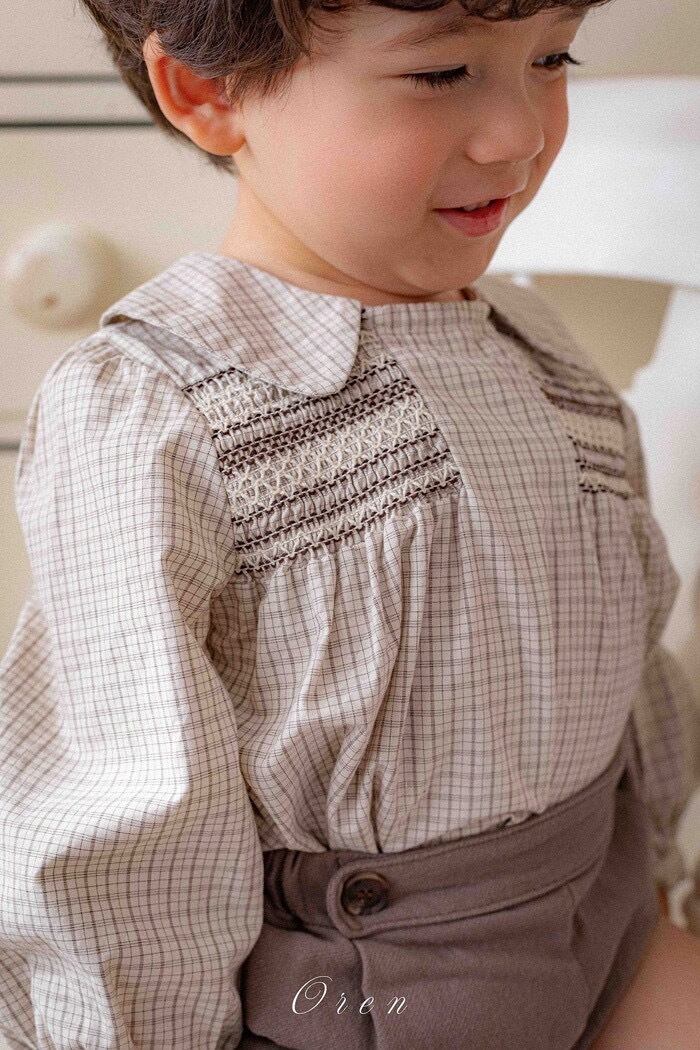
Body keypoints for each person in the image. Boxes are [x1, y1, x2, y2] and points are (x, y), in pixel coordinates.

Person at [1, 1, 698, 1047]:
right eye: (441, 73)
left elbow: (626, 663)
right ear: (209, 91)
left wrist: (657, 876)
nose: (520, 130)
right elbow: (128, 824)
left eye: (552, 57)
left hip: (604, 918)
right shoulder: (159, 405)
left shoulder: (539, 352)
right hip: (365, 990)